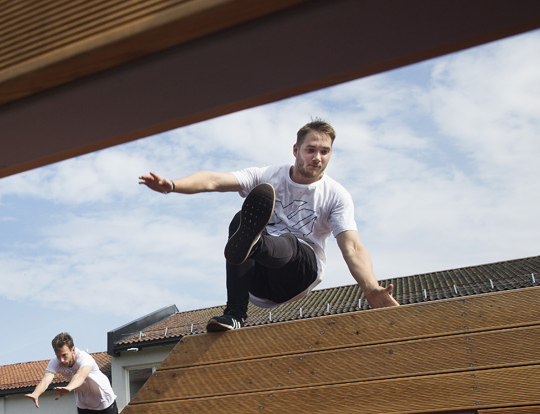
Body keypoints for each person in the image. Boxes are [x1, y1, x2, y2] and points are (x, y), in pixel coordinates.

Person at [139, 119, 398, 331]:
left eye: (324, 151)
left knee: (289, 242)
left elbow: (352, 247)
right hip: (260, 284)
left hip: (299, 274)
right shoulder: (268, 176)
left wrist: (370, 287)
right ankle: (235, 315)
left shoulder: (336, 195)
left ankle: (253, 245)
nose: (317, 158)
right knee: (240, 220)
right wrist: (172, 185)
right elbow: (215, 180)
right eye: (310, 150)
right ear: (296, 150)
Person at [26, 332, 118, 414]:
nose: (61, 360)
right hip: (84, 402)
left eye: (64, 355)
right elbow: (47, 378)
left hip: (104, 399)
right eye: (58, 356)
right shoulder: (55, 362)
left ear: (73, 350)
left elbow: (81, 375)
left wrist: (69, 388)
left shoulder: (84, 358)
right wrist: (36, 393)